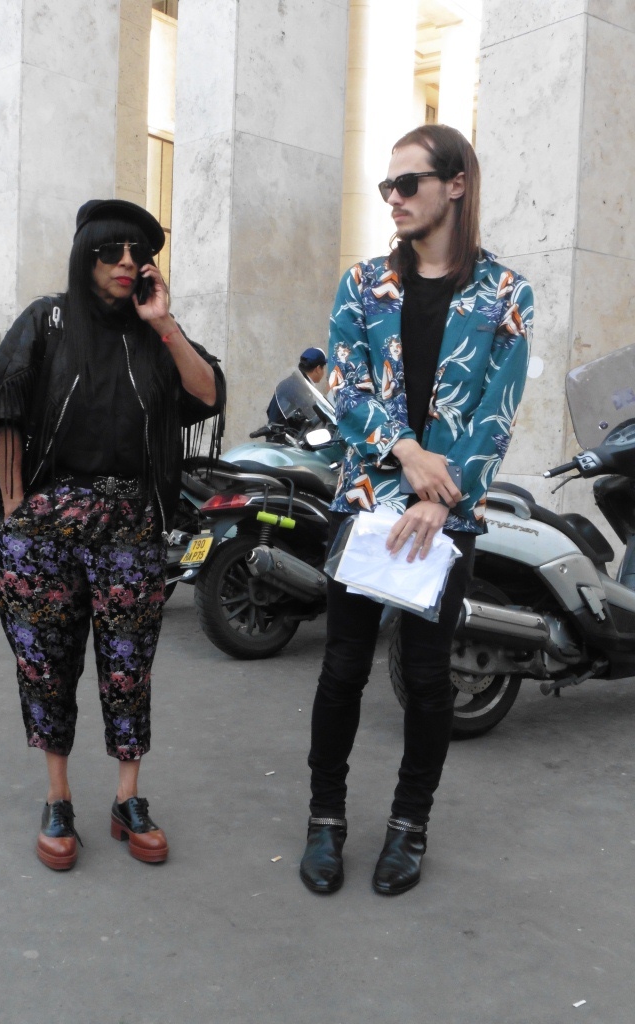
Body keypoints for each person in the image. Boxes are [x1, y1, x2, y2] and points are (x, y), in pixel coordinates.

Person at [299, 125, 533, 896]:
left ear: (455, 183)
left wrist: (441, 497)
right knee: (342, 668)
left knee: (429, 678)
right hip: (367, 502)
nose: (393, 198)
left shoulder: (507, 294)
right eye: (386, 187)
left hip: (448, 516)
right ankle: (325, 819)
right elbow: (347, 390)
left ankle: (409, 825)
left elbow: (496, 415)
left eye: (408, 184)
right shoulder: (364, 284)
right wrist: (407, 454)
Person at [0, 199, 225, 871]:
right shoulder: (48, 320)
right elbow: (3, 406)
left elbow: (207, 394)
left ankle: (127, 799)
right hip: (45, 528)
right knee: (47, 665)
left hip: (130, 524)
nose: (127, 263)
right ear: (86, 257)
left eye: (139, 254)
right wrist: (15, 509)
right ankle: (58, 798)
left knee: (129, 665)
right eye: (112, 251)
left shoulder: (153, 334)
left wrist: (163, 323)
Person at [266, 346, 327, 427]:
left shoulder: (291, 382)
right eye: (323, 368)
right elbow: (311, 415)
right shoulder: (301, 389)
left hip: (275, 431)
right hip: (283, 433)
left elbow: (269, 411)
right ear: (318, 369)